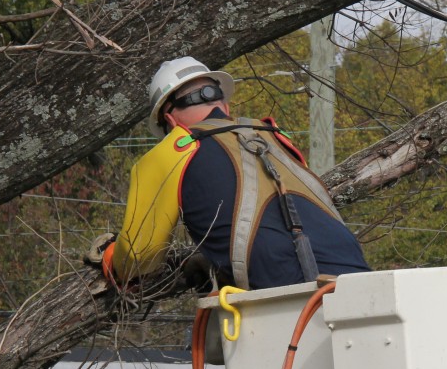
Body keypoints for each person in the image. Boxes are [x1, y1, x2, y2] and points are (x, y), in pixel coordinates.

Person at [103, 57, 369, 290]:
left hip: (288, 293)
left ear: (169, 122)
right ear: (225, 107)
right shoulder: (275, 137)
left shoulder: (173, 150)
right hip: (356, 273)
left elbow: (139, 259)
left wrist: (113, 256)